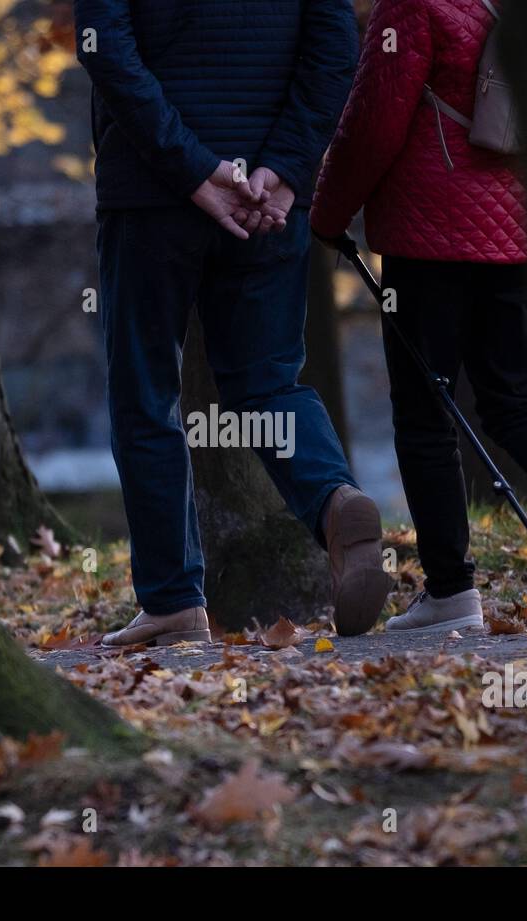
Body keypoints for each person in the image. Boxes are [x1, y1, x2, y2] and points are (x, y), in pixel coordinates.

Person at [74, 0, 392, 646]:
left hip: (151, 196)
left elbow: (103, 43)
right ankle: (334, 502)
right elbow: (334, 49)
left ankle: (172, 600)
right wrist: (282, 169)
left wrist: (192, 169)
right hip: (266, 202)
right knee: (268, 383)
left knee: (145, 392)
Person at [311, 0, 527, 636]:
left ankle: (451, 593)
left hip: (428, 238)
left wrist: (328, 215)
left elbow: (373, 127)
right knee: (519, 404)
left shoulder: (413, 7)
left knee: (425, 412)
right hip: (518, 231)